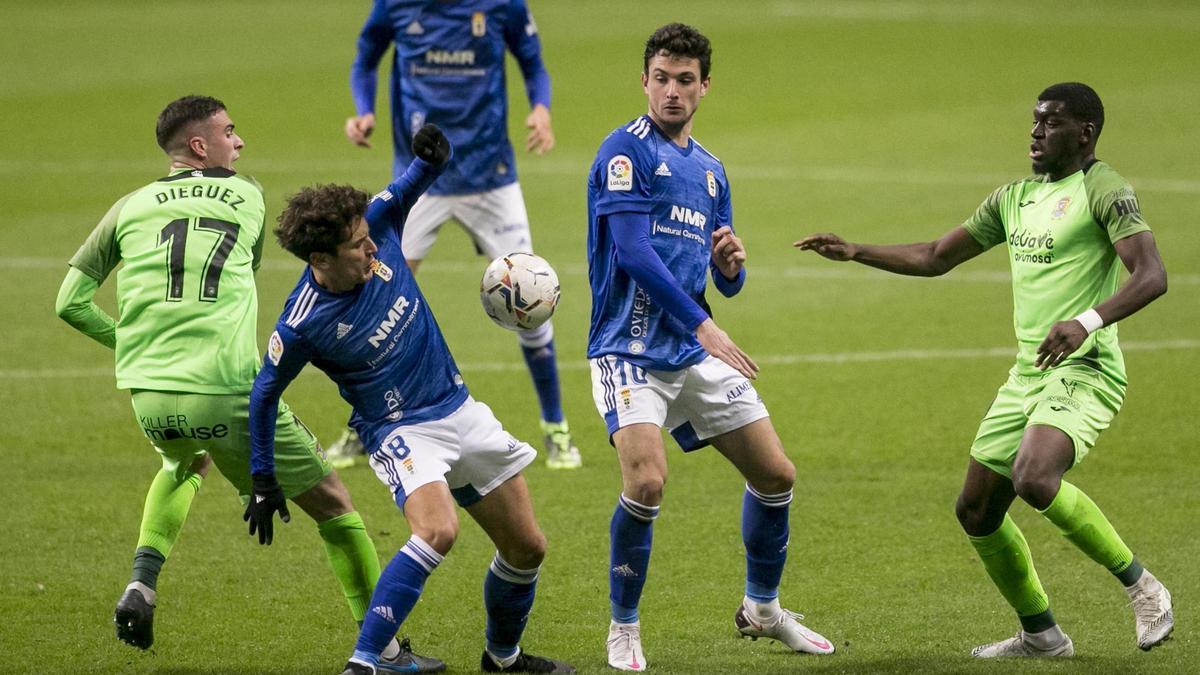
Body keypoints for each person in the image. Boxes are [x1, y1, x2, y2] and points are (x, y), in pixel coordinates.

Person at [54, 95, 439, 672]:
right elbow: (247, 266)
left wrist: (132, 345)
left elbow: (69, 303)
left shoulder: (129, 205)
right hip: (225, 389)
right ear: (200, 146)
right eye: (230, 133)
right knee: (335, 505)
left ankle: (143, 579)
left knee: (182, 464)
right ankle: (380, 647)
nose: (240, 143)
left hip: (150, 395)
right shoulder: (248, 195)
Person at [796, 82, 1174, 657]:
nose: (1036, 132)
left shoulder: (1104, 190)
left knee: (1034, 475)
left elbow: (1151, 275)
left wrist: (1087, 322)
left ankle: (1144, 588)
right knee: (976, 509)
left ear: (1086, 132)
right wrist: (856, 251)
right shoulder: (1013, 199)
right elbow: (935, 257)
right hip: (1029, 373)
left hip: (1086, 369)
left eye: (1051, 122)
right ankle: (1042, 635)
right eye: (1034, 121)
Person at [248, 123, 573, 675]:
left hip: (458, 407)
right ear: (320, 260)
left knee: (527, 548)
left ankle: (503, 658)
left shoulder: (373, 223)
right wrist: (262, 476)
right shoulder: (302, 325)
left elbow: (411, 182)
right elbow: (264, 394)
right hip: (400, 431)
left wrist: (433, 157)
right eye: (357, 247)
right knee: (437, 530)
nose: (373, 246)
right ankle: (367, 662)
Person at [585, 24, 835, 671]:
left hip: (689, 349)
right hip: (628, 349)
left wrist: (730, 267)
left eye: (685, 80)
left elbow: (721, 273)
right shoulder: (625, 153)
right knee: (646, 482)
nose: (672, 91)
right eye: (661, 78)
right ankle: (623, 625)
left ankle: (763, 608)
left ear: (705, 86)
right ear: (644, 81)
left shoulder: (712, 171)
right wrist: (703, 322)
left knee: (776, 474)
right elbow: (633, 253)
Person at [333, 0, 580, 470]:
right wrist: (363, 110)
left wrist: (541, 110)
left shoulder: (502, 6)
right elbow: (366, 56)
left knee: (532, 296)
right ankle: (359, 428)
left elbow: (533, 62)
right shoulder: (396, 6)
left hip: (492, 176)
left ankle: (556, 428)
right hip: (417, 180)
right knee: (377, 298)